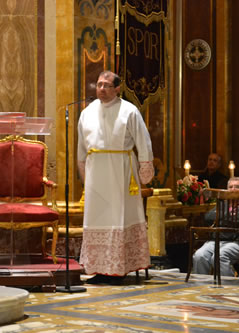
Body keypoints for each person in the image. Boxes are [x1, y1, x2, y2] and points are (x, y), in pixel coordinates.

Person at [77, 70, 154, 285]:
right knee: (97, 218)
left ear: (117, 88)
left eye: (106, 85)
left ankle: (120, 268)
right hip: (96, 174)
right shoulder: (87, 112)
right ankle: (99, 269)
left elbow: (143, 141)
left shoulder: (129, 111)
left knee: (119, 217)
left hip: (121, 172)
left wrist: (145, 170)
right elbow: (81, 148)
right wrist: (83, 173)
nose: (101, 89)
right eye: (99, 85)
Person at [192, 177, 239, 276]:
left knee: (219, 256)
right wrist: (231, 216)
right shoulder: (223, 204)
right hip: (216, 240)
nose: (233, 190)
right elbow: (208, 217)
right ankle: (203, 286)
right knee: (199, 255)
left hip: (237, 243)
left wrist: (222, 219)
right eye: (230, 187)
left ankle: (228, 287)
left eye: (237, 187)